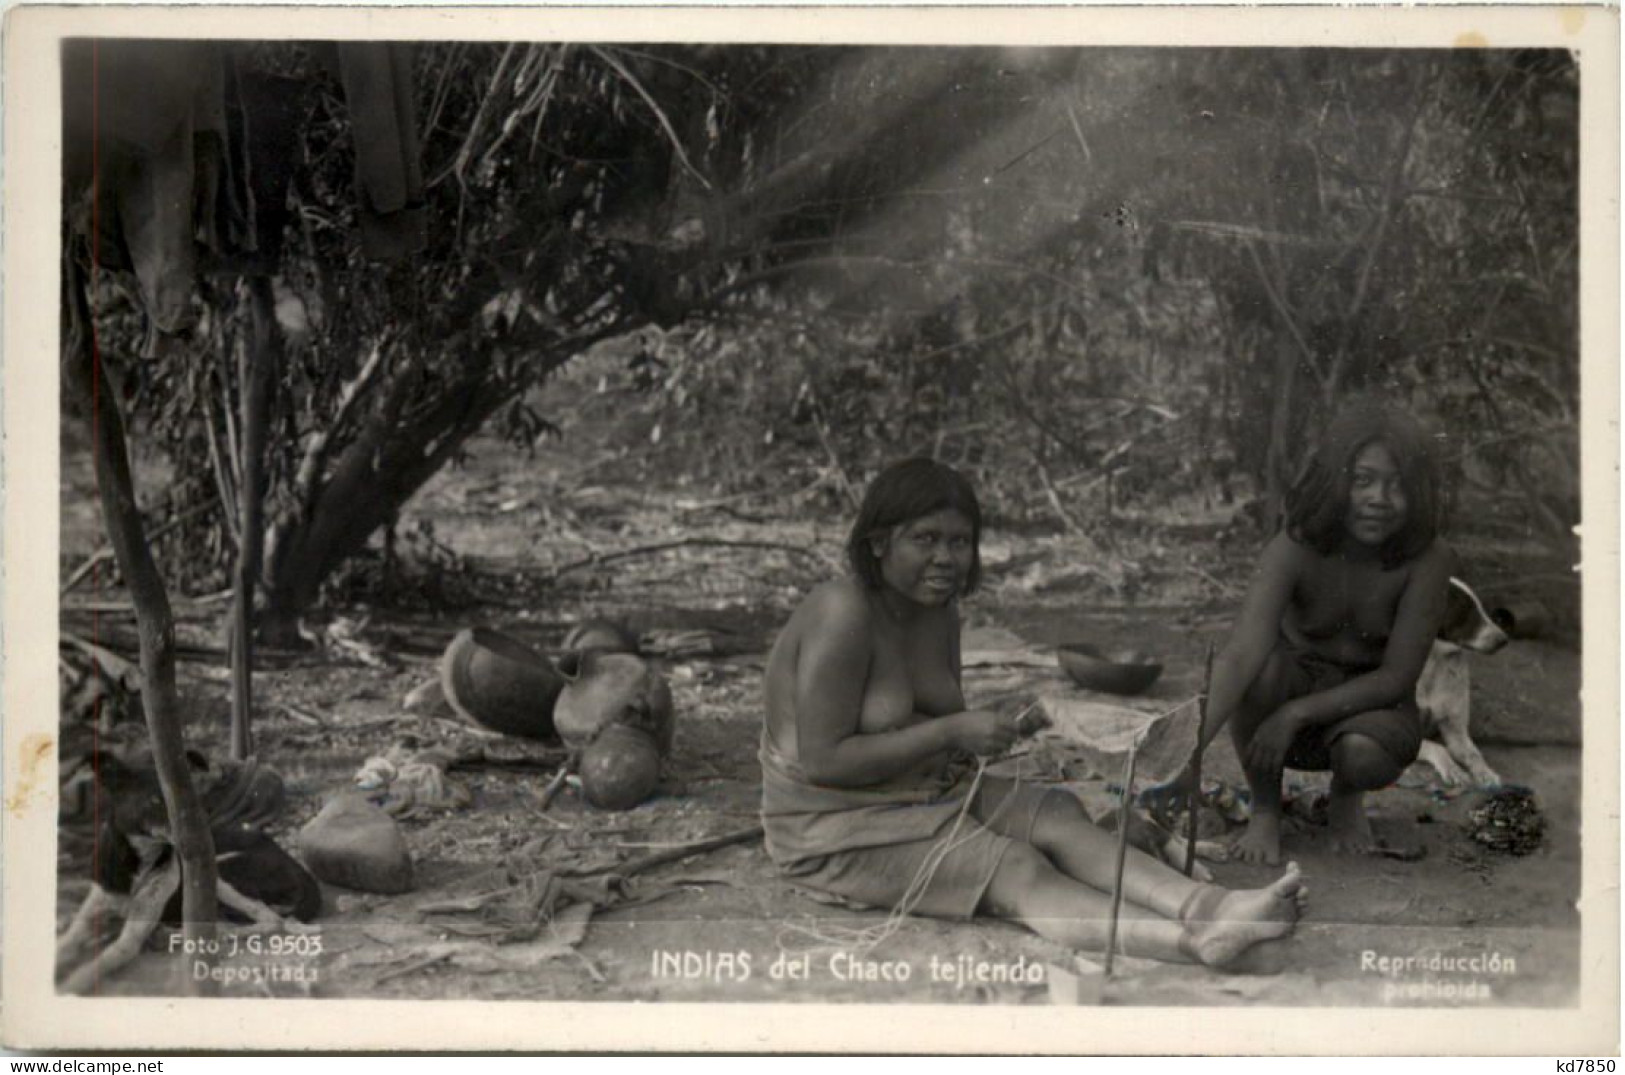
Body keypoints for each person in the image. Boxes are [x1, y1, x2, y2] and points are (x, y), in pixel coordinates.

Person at [760, 457, 1305, 966]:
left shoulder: (938, 611)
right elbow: (824, 762)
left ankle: (1209, 906)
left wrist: (1008, 723)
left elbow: (931, 722)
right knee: (1015, 864)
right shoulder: (842, 613)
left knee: (1056, 812)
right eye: (925, 539)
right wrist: (953, 730)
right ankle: (1191, 943)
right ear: (878, 543)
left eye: (960, 542)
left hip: (922, 789)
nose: (946, 559)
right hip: (833, 827)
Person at [1177, 400, 1452, 865]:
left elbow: (1397, 678)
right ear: (1335, 481)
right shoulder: (1294, 547)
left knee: (1363, 754)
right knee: (1261, 669)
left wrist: (1296, 714)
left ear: (1419, 492)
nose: (1378, 499)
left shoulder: (1430, 560)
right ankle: (1265, 809)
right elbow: (1241, 656)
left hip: (1372, 714)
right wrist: (1186, 756)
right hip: (1280, 712)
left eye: (1397, 485)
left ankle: (1346, 799)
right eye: (1362, 480)